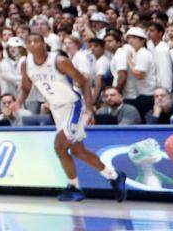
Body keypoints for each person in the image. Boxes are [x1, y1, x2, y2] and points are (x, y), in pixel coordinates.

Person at [20, 32, 127, 202]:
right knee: (78, 151)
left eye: (36, 41)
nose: (33, 44)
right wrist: (19, 102)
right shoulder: (26, 64)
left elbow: (84, 81)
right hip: (56, 109)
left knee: (59, 146)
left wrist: (90, 109)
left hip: (72, 105)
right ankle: (114, 176)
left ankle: (75, 187)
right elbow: (26, 87)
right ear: (26, 46)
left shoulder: (59, 61)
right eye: (29, 41)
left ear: (44, 44)